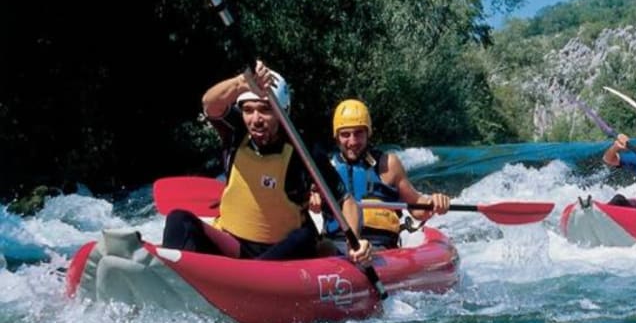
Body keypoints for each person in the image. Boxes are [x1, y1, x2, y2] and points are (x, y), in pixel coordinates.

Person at [162, 62, 371, 263]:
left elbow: (345, 200)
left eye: (265, 109)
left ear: (283, 112)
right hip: (234, 244)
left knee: (305, 237)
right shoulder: (236, 133)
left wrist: (354, 241)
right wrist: (243, 83)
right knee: (178, 220)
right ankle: (176, 282)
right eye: (248, 110)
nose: (255, 119)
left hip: (283, 252)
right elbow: (210, 104)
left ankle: (251, 279)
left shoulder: (303, 149)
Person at [317, 99, 451, 250]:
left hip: (380, 246)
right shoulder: (324, 168)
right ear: (336, 137)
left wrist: (434, 202)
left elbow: (417, 206)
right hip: (337, 245)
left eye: (359, 133)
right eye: (345, 134)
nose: (353, 141)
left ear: (369, 133)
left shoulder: (388, 164)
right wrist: (312, 198)